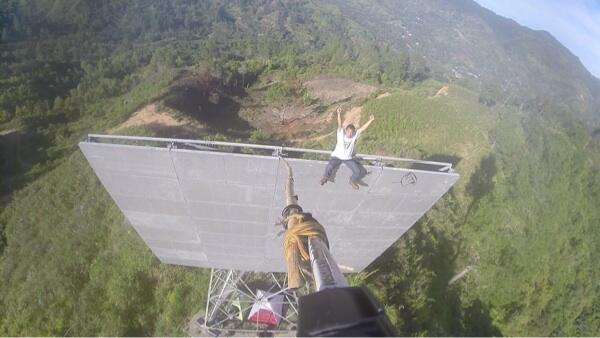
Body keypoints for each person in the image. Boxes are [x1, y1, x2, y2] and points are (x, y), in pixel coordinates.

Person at [320, 106, 375, 189]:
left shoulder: (354, 135)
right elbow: (339, 124)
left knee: (357, 171)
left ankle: (352, 180)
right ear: (345, 131)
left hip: (348, 158)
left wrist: (370, 121)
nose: (349, 134)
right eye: (348, 132)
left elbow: (362, 129)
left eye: (351, 132)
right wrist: (339, 113)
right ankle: (325, 177)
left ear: (353, 132)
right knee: (330, 166)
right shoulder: (340, 133)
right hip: (337, 156)